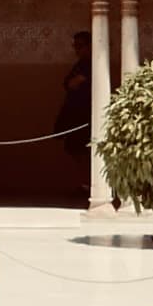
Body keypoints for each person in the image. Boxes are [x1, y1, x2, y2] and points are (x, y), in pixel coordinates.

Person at [53, 30, 94, 203]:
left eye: (80, 46)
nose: (76, 50)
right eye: (75, 46)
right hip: (75, 115)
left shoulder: (89, 65)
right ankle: (86, 184)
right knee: (76, 150)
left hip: (84, 116)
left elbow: (74, 84)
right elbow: (69, 84)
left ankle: (91, 186)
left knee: (85, 151)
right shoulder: (80, 64)